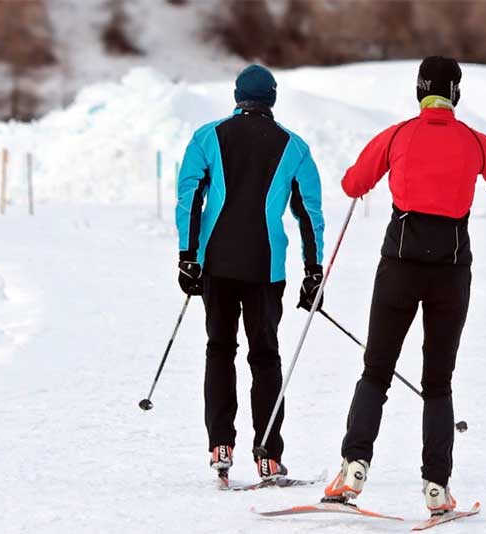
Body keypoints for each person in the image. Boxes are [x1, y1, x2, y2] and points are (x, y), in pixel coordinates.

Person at [323, 56, 486, 514]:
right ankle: (437, 486)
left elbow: (353, 183)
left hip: (399, 267)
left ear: (419, 91)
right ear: (455, 93)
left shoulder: (397, 135)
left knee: (376, 369)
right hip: (451, 273)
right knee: (438, 382)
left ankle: (354, 467)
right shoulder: (474, 141)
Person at [174, 64, 325, 485]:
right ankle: (268, 456)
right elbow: (309, 215)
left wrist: (188, 256)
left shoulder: (207, 137)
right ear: (271, 99)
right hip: (265, 268)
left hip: (216, 264)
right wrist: (314, 272)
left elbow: (190, 198)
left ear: (237, 96)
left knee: (219, 348)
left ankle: (220, 444)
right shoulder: (294, 147)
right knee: (265, 356)